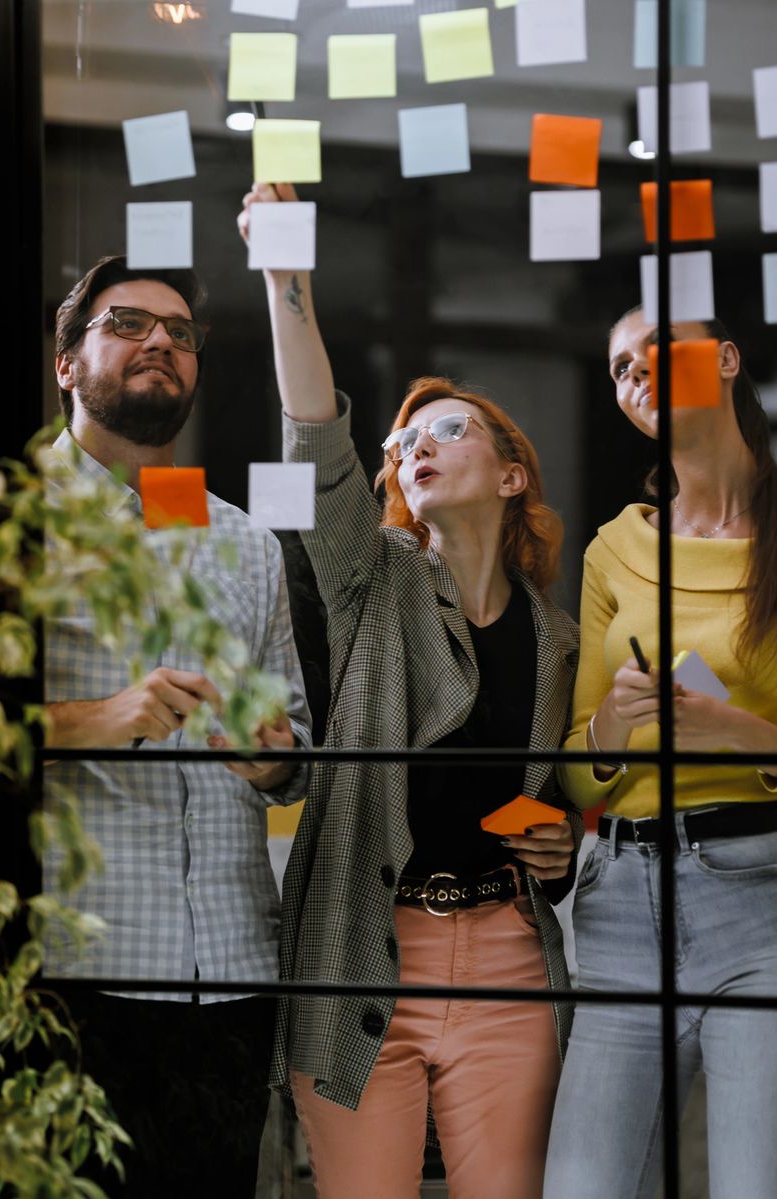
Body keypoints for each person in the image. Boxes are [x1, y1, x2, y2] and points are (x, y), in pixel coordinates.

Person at [238, 184, 582, 1199]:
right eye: (403, 441)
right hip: (362, 949)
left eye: (444, 428)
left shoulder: (555, 636)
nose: (412, 445)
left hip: (508, 960)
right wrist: (283, 280)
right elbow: (316, 437)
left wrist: (559, 837)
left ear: (511, 474)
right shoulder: (371, 576)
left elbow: (552, 794)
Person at [44, 255, 312, 1198]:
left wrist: (274, 759)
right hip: (76, 977)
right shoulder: (9, 518)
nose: (162, 340)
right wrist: (97, 717)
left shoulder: (239, 538)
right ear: (67, 366)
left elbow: (300, 746)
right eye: (127, 323)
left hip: (232, 974)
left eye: (182, 333)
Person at [543, 308, 777, 1199]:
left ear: (722, 360)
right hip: (621, 907)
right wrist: (612, 721)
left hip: (760, 898)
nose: (633, 371)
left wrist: (743, 735)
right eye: (616, 368)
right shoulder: (617, 546)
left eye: (654, 349)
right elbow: (574, 765)